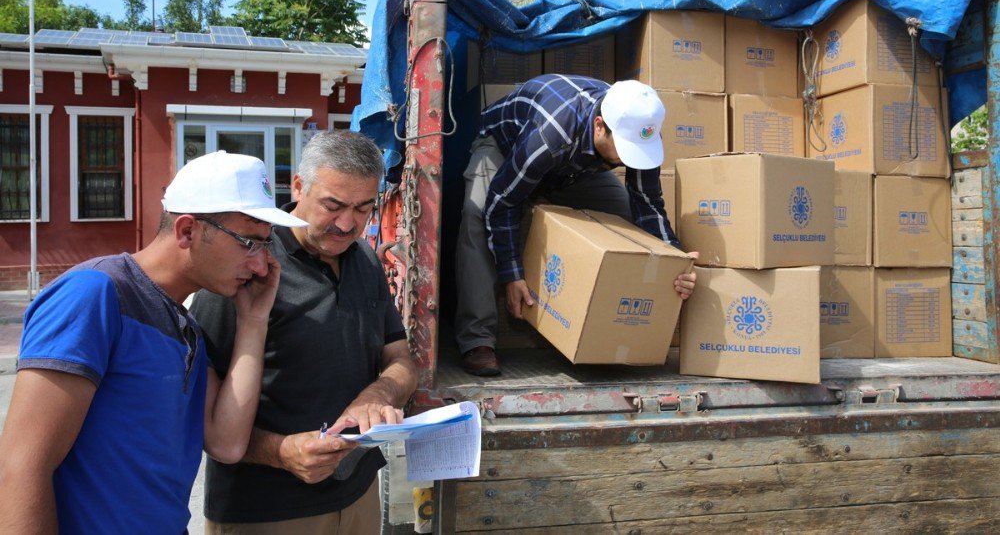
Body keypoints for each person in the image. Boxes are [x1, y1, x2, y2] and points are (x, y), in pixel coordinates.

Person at [0, 150, 307, 534]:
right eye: (248, 243)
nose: (261, 265)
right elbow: (22, 465)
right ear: (187, 231)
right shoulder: (95, 293)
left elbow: (227, 443)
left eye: (266, 245)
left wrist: (253, 320)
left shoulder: (184, 324)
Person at [190, 130, 418, 533]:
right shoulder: (249, 265)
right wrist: (281, 452)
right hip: (267, 511)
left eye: (364, 208)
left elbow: (400, 359)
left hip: (359, 494)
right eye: (334, 205)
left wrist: (378, 394)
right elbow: (199, 415)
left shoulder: (364, 259)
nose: (348, 224)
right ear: (298, 186)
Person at [455, 73, 699, 376]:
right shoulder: (551, 134)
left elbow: (647, 205)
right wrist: (512, 274)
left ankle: (608, 335)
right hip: (507, 149)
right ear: (600, 126)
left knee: (624, 224)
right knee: (477, 214)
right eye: (625, 150)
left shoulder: (641, 131)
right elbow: (501, 202)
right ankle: (478, 340)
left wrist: (674, 260)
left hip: (574, 168)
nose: (630, 159)